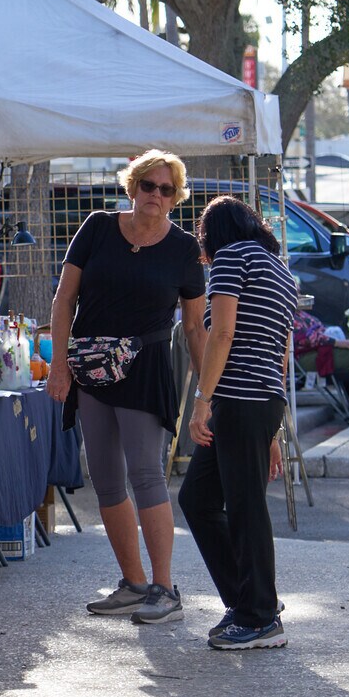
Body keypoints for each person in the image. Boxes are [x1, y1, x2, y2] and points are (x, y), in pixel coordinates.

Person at [47, 150, 206, 624]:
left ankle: (166, 588)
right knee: (105, 477)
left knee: (146, 473)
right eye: (148, 185)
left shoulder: (181, 249)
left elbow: (196, 328)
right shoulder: (97, 227)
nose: (155, 195)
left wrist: (206, 392)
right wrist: (59, 365)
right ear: (132, 186)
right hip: (91, 368)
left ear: (176, 198)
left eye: (166, 189)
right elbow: (64, 299)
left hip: (145, 368)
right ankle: (134, 583)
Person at [180, 196, 300, 650]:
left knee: (245, 506)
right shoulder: (279, 269)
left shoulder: (231, 258)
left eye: (202, 238)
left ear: (213, 235)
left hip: (237, 399)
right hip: (262, 400)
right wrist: (271, 430)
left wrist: (201, 399)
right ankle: (252, 599)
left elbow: (223, 333)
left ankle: (259, 617)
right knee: (198, 498)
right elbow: (280, 352)